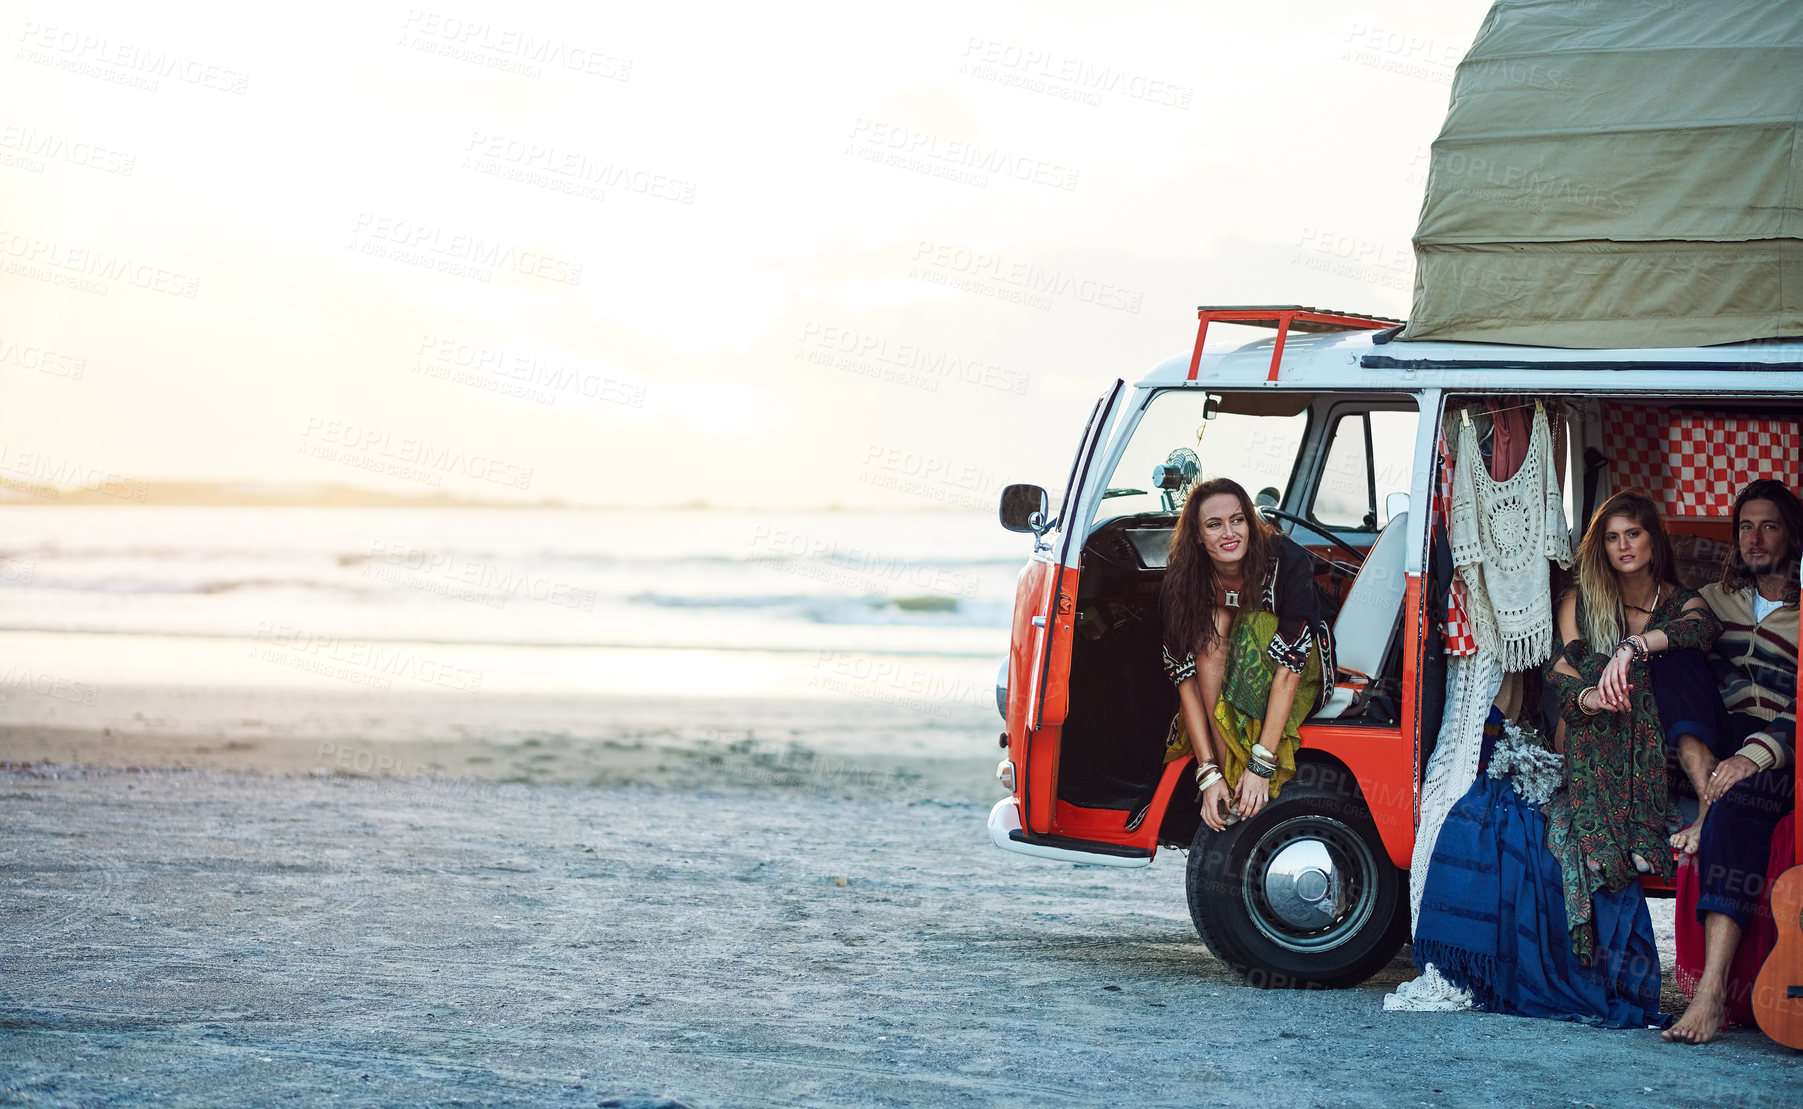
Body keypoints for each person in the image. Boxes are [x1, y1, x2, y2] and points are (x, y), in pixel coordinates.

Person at [1542, 492, 1723, 965]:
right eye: (1612, 537)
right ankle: (1609, 838)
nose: (1623, 546)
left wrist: (1635, 648)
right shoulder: (1580, 601)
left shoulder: (1679, 600)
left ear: (1652, 540)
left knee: (1668, 667)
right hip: (1590, 723)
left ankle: (1670, 822)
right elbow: (1566, 666)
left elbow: (1702, 629)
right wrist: (1592, 693)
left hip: (1653, 733)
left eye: (1634, 534)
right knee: (1608, 682)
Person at [1664, 479, 1801, 1045]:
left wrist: (1754, 756)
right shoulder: (1714, 601)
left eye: (1769, 525)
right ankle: (1703, 801)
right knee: (1669, 654)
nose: (1755, 537)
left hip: (1777, 751)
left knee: (1737, 812)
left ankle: (1712, 991)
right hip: (1709, 744)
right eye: (1746, 526)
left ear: (1792, 533)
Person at [1159, 478, 1333, 832]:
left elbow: (1289, 670)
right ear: (1196, 535)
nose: (1229, 533)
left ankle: (1245, 776)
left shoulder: (1286, 560)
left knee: (1250, 621)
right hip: (1222, 672)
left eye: (1237, 520)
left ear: (1249, 522)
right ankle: (1226, 773)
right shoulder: (1184, 579)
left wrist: (1260, 767)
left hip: (1300, 671)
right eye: (1214, 524)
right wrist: (1207, 775)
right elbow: (1186, 682)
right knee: (1215, 620)